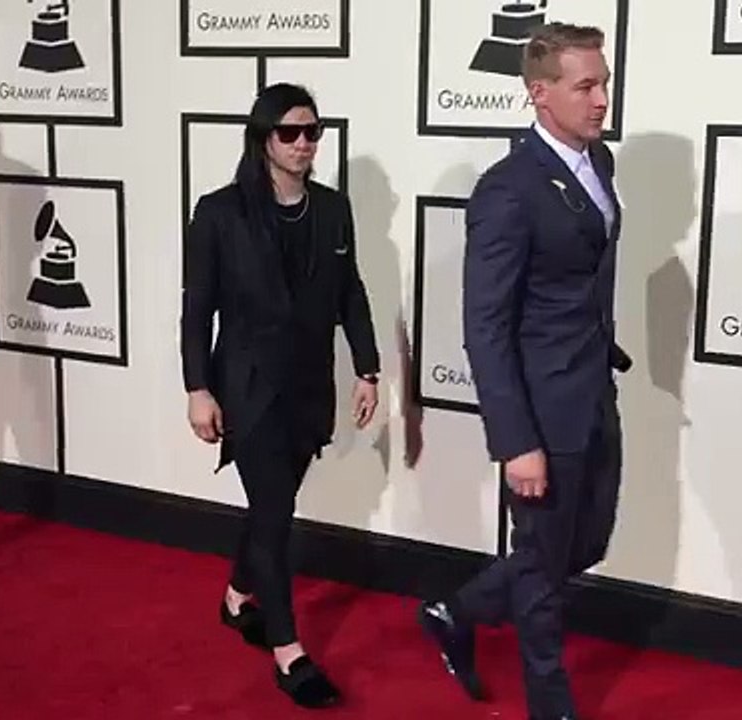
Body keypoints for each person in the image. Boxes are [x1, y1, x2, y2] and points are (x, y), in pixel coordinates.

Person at [417, 23, 632, 720]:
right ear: (540, 93)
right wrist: (516, 441)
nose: (602, 99)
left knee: (585, 543)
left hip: (592, 390)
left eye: (604, 83)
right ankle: (550, 704)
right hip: (541, 408)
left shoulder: (599, 164)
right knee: (539, 566)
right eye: (586, 86)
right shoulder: (507, 190)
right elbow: (484, 326)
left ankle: (458, 610)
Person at [180, 82, 381, 709]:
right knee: (274, 510)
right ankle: (289, 652)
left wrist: (368, 369)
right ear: (263, 139)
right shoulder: (219, 213)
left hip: (308, 386)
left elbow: (350, 292)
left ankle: (236, 597)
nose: (303, 144)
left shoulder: (332, 208)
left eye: (312, 132)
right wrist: (198, 388)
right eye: (289, 132)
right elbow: (197, 309)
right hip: (247, 386)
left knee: (275, 504)